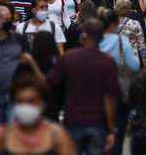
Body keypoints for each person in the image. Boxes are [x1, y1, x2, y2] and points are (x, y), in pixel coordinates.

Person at [48, 18, 119, 155]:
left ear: (84, 35)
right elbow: (109, 99)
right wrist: (111, 130)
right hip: (97, 123)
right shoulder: (108, 62)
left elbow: (50, 84)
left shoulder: (68, 58)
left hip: (72, 120)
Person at [0, 75, 77, 155]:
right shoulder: (0, 137)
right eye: (20, 101)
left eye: (31, 101)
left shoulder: (58, 136)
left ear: (42, 104)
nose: (25, 106)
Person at [97, 7, 140, 155]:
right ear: (114, 24)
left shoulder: (93, 40)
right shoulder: (121, 42)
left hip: (96, 93)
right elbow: (135, 66)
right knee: (118, 136)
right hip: (119, 93)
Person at [115, 0, 146, 67]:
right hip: (132, 61)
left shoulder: (111, 24)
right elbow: (141, 45)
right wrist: (145, 63)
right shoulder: (135, 24)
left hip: (116, 61)